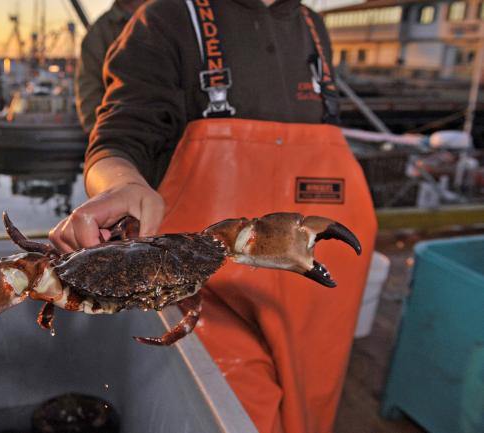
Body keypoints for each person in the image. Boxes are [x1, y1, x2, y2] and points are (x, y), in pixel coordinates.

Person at [51, 0, 378, 432]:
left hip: (316, 292)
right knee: (235, 415)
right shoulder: (167, 17)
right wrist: (121, 184)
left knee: (311, 414)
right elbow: (120, 134)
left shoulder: (313, 27)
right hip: (211, 290)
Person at [75, 0, 147, 133]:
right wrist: (109, 139)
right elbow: (90, 100)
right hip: (126, 137)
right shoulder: (98, 35)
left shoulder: (172, 18)